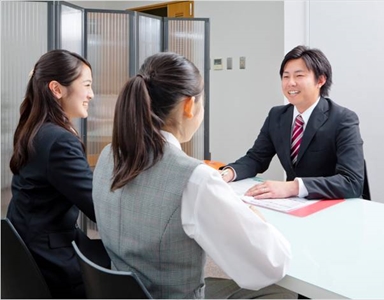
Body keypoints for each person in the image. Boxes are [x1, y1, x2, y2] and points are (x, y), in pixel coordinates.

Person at [92, 52, 296, 299]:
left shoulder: (107, 156)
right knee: (279, 292)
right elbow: (271, 265)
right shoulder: (194, 179)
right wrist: (256, 219)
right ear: (189, 105)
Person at [221, 45, 365, 200]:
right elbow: (256, 158)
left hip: (333, 206)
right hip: (294, 205)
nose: (291, 83)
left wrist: (294, 187)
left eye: (299, 76)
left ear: (321, 80)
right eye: (286, 76)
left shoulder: (343, 119)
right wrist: (227, 173)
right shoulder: (277, 115)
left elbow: (352, 182)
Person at [7, 49, 96, 298]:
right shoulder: (59, 141)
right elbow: (97, 207)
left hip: (29, 248)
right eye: (86, 85)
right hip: (51, 261)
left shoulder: (34, 129)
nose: (91, 94)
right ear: (57, 89)